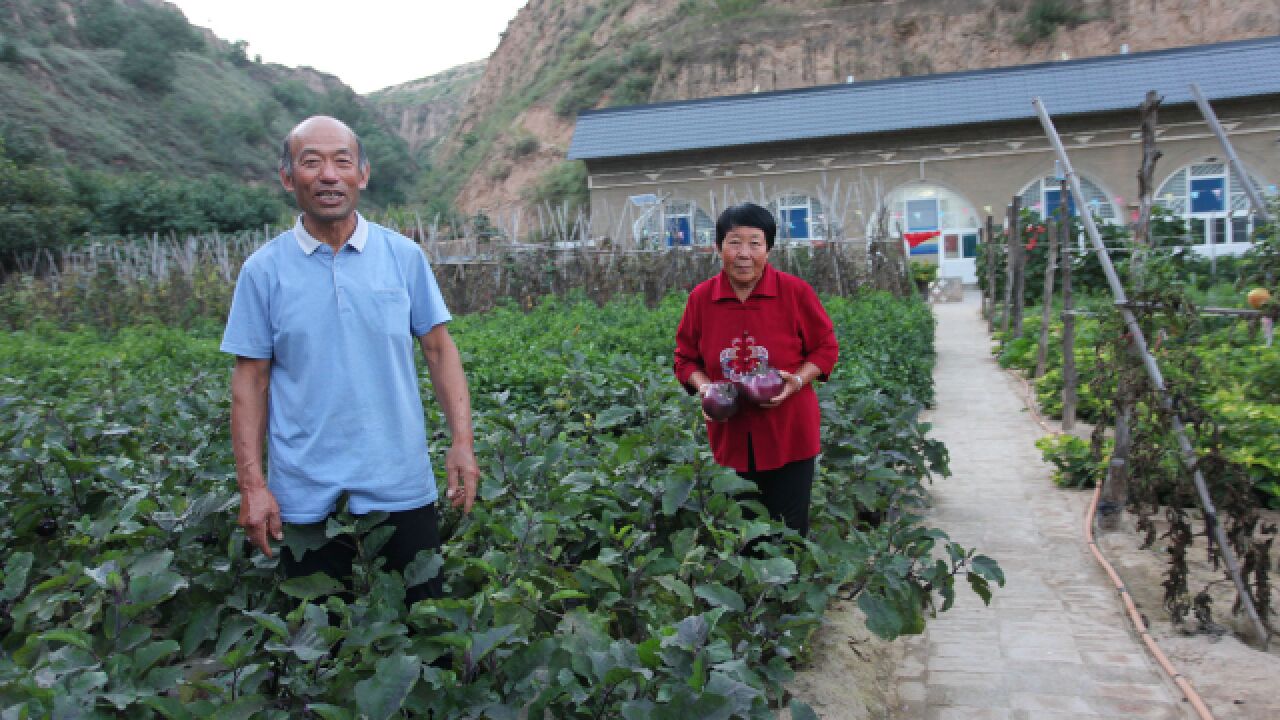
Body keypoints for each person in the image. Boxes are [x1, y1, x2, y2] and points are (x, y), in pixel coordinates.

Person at [221, 115, 479, 603]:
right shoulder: (263, 271)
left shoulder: (403, 257)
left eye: (342, 162)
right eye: (310, 162)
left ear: (362, 173)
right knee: (315, 649)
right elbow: (249, 383)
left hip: (400, 481)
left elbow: (440, 350)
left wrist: (462, 442)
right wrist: (253, 486)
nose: (328, 175)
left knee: (426, 632)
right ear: (287, 177)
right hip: (303, 496)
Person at [674, 202, 838, 538]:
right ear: (718, 247)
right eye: (734, 242)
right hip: (730, 433)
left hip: (789, 431)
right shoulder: (701, 299)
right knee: (740, 535)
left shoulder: (794, 292)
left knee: (790, 532)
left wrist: (797, 381)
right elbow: (685, 359)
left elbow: (825, 347)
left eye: (755, 243)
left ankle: (786, 589)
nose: (744, 253)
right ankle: (753, 592)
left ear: (769, 248)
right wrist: (706, 388)